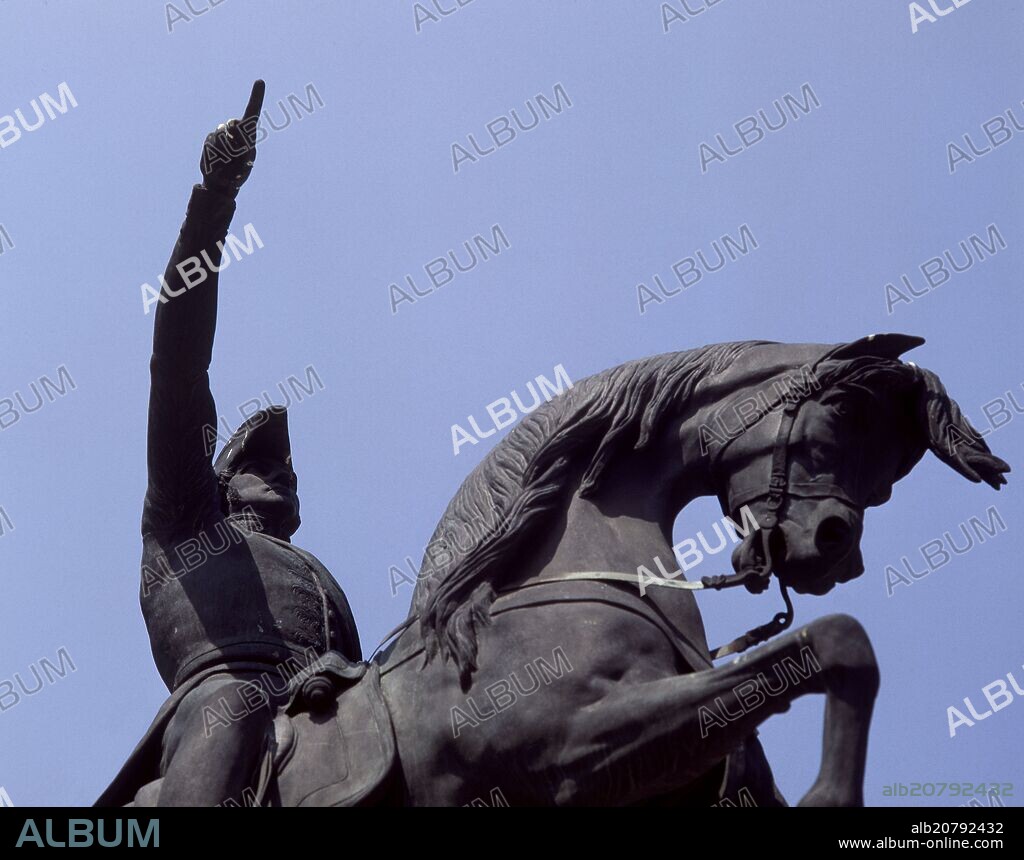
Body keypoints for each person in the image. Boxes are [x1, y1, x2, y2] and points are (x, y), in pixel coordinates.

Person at [97, 81, 360, 807]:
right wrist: (214, 200)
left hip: (335, 709)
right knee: (235, 706)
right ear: (217, 482)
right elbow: (179, 363)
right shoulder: (185, 517)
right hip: (226, 705)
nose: (284, 469)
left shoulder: (312, 572)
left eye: (285, 462)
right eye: (261, 459)